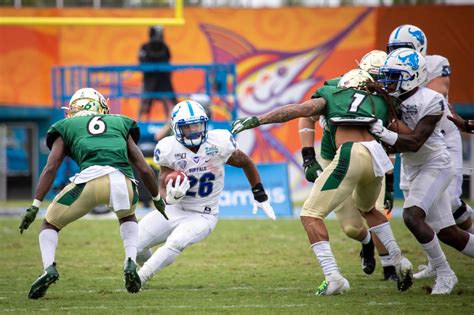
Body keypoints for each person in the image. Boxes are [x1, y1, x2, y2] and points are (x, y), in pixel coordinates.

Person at [232, 69, 413, 296]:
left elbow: (297, 111)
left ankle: (333, 277)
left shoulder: (332, 93)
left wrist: (258, 120)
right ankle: (399, 260)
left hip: (351, 153)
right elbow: (408, 137)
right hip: (376, 155)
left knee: (310, 214)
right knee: (369, 210)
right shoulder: (381, 100)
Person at [18, 88, 168, 299]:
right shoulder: (119, 122)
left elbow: (51, 167)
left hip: (88, 182)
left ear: (73, 109)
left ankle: (48, 268)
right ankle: (130, 260)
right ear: (100, 106)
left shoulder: (65, 125)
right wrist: (156, 198)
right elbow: (143, 167)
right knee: (127, 216)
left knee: (50, 223)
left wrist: (35, 205)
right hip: (121, 182)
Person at [136, 100, 276, 286]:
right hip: (177, 208)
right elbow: (163, 180)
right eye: (188, 127)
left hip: (203, 214)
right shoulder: (169, 147)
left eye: (198, 125)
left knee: (176, 242)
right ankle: (150, 263)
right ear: (176, 128)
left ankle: (140, 277)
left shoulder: (218, 142)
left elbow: (246, 162)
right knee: (135, 244)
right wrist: (169, 196)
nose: (194, 131)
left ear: (205, 123)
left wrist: (259, 194)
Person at [371, 48, 474, 294]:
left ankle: (446, 274)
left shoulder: (432, 100)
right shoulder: (395, 96)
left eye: (394, 76)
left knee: (411, 216)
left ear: (413, 76)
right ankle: (445, 273)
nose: (388, 82)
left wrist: (382, 131)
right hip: (414, 166)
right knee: (449, 233)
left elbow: (415, 141)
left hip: (435, 164)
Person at [298, 50, 398, 281]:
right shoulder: (338, 87)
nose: (380, 82)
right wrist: (308, 156)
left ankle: (391, 267)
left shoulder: (390, 96)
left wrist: (390, 180)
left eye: (384, 76)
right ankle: (365, 244)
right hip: (336, 157)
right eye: (375, 76)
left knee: (376, 212)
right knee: (352, 228)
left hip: (371, 156)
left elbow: (391, 140)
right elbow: (306, 115)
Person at [139, 25, 177, 121]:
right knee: (145, 101)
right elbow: (141, 61)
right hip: (149, 79)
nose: (158, 37)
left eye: (160, 34)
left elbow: (168, 60)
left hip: (163, 79)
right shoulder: (145, 47)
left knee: (168, 100)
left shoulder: (164, 47)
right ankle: (140, 122)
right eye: (157, 34)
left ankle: (171, 121)